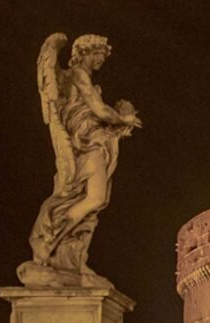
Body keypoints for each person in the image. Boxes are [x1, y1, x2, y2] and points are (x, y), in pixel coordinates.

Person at [26, 33, 142, 287]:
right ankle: (49, 240)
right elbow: (99, 110)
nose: (101, 59)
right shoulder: (77, 74)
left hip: (94, 140)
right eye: (99, 54)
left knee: (92, 201)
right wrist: (125, 119)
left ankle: (70, 259)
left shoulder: (80, 78)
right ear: (86, 52)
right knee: (95, 198)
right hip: (87, 142)